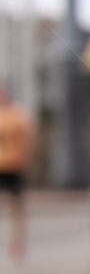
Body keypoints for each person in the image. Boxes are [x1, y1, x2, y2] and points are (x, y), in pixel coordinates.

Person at [0, 86, 36, 262]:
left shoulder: (17, 114)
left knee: (17, 206)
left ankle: (17, 241)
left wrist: (25, 158)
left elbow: (27, 137)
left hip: (14, 165)